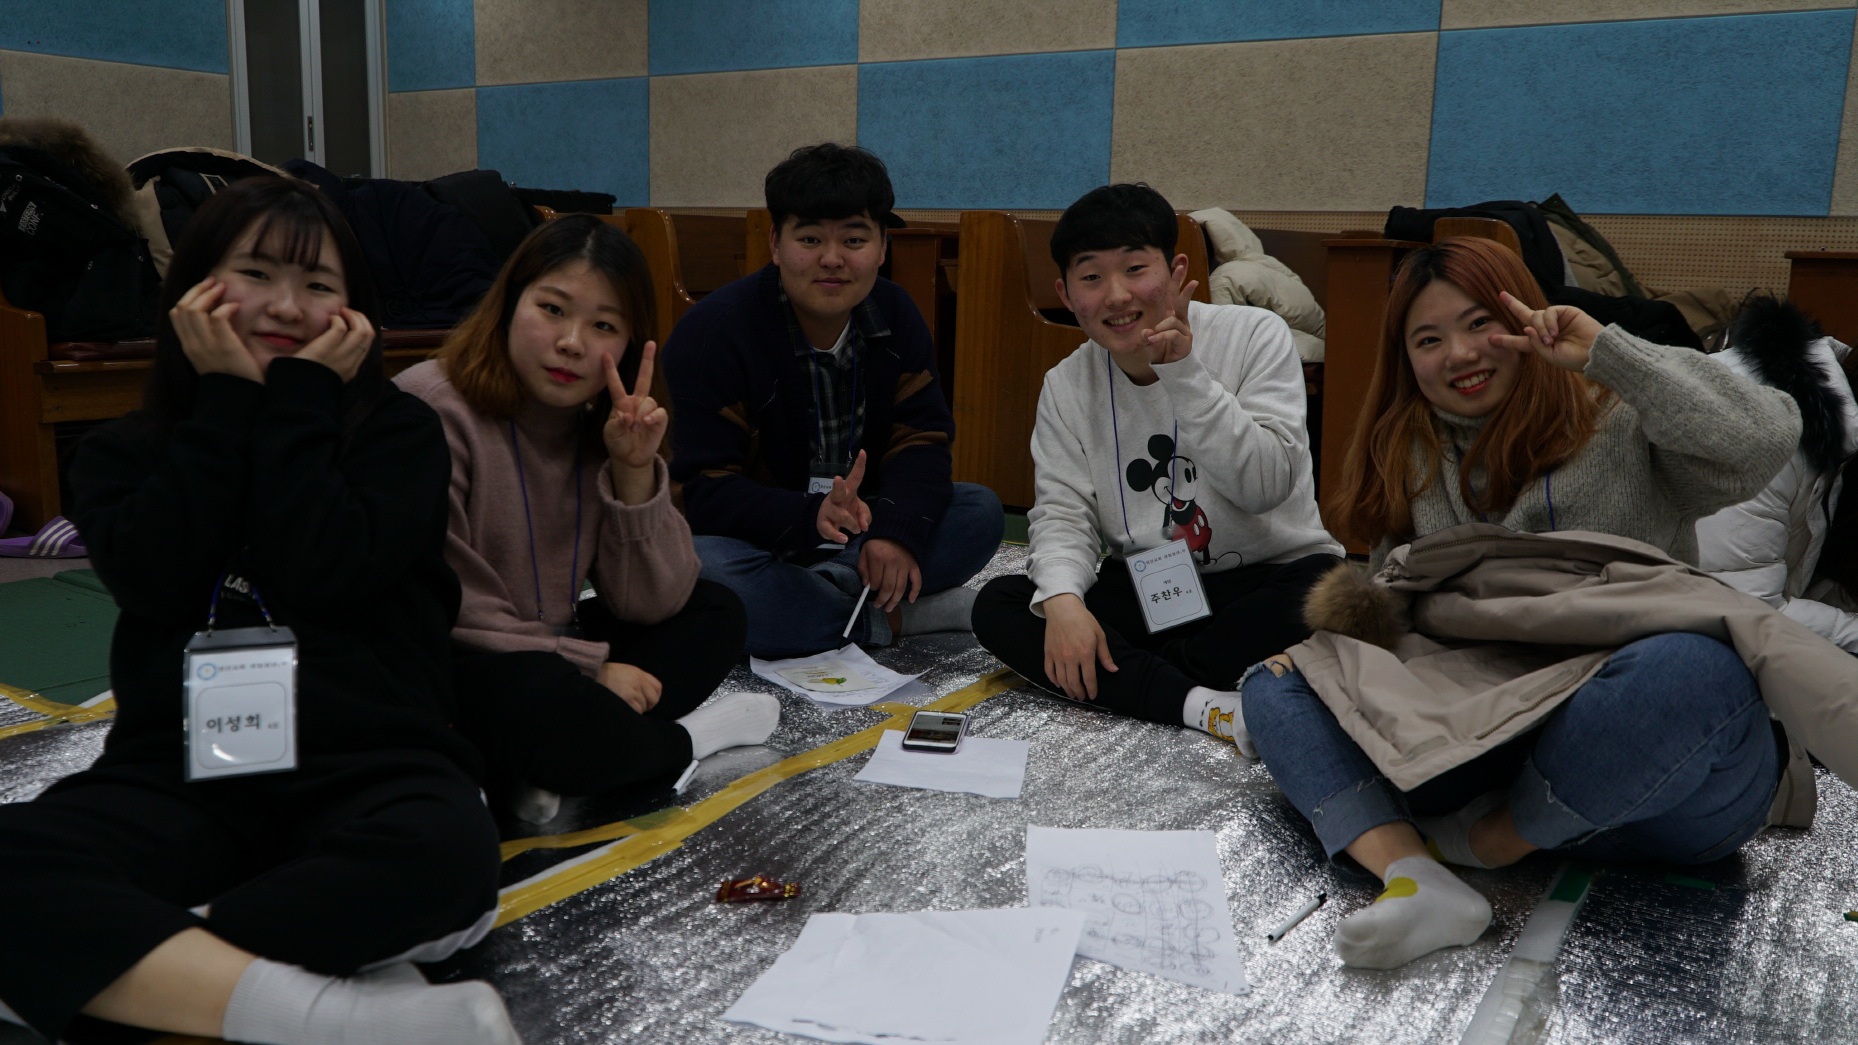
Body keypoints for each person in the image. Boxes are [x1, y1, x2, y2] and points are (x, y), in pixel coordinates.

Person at [0, 177, 525, 1045]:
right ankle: (327, 1010)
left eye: (319, 285)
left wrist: (298, 400)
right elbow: (159, 577)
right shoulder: (126, 450)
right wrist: (226, 407)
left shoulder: (398, 434)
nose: (288, 306)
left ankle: (68, 969)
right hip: (182, 776)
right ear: (194, 292)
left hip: (372, 764)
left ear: (355, 312)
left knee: (446, 856)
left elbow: (323, 570)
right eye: (255, 273)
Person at [1241, 237, 1800, 970]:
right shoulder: (1407, 453)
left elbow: (1765, 439)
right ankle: (1417, 876)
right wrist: (1341, 661)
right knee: (1278, 682)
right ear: (1405, 360)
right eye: (1428, 340)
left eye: (1480, 324)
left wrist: (1610, 353)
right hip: (1498, 742)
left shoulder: (1620, 417)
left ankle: (1489, 843)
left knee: (1696, 672)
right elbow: (1392, 647)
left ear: (1527, 318)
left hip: (1659, 780)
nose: (1460, 354)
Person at [396, 214, 776, 824]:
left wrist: (633, 470)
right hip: (456, 662)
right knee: (531, 696)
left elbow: (653, 602)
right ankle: (685, 742)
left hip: (550, 654)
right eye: (552, 309)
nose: (572, 342)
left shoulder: (599, 420)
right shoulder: (430, 408)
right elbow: (450, 608)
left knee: (715, 611)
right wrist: (588, 669)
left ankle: (550, 761)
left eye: (604, 325)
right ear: (508, 304)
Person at [970, 183, 1341, 738]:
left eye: (1135, 269)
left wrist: (1185, 373)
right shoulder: (1066, 384)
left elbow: (1265, 486)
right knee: (1005, 604)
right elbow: (1063, 513)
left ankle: (1148, 683)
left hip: (1267, 579)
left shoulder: (1254, 335)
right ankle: (1203, 701)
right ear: (1066, 293)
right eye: (1091, 277)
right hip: (1153, 586)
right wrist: (1066, 605)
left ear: (1176, 271)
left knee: (1323, 592)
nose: (1117, 295)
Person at [663, 143, 1003, 658]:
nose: (832, 259)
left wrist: (895, 534)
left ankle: (816, 602)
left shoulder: (894, 312)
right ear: (776, 244)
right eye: (810, 239)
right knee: (703, 568)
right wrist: (808, 515)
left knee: (978, 510)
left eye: (854, 239)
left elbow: (922, 440)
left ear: (882, 247)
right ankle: (889, 616)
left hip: (856, 533)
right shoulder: (714, 332)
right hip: (754, 537)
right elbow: (701, 489)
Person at [1695, 296, 1858, 649]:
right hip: (1616, 620)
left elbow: (1811, 575)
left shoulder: (1839, 431)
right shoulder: (1764, 430)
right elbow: (1738, 606)